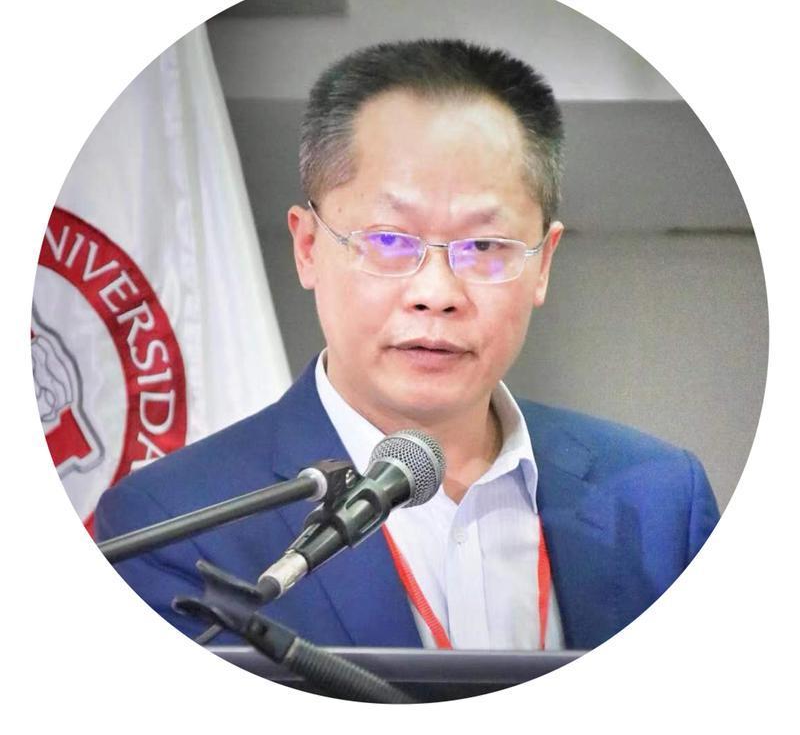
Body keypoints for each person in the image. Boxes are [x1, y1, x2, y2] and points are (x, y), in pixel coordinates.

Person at [95, 39, 719, 651]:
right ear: (307, 248)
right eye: (389, 241)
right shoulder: (173, 525)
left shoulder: (661, 501)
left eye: (484, 246)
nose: (437, 294)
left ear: (544, 264)